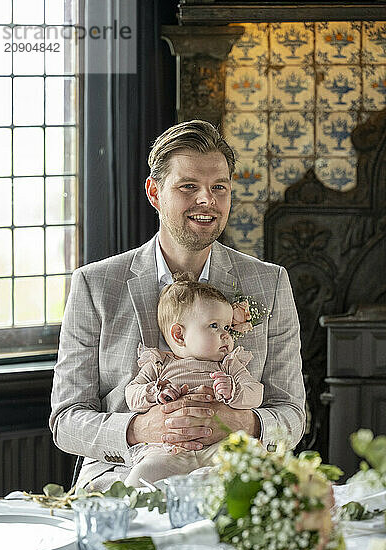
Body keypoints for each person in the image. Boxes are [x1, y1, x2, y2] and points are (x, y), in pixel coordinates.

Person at [50, 119, 305, 491]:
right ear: (155, 193)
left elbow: (293, 415)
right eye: (189, 187)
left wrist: (243, 423)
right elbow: (66, 420)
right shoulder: (95, 284)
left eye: (219, 187)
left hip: (235, 478)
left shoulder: (270, 283)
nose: (207, 200)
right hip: (123, 479)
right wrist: (140, 428)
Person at [123, 273, 263, 486]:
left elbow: (256, 394)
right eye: (214, 326)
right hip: (169, 450)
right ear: (179, 335)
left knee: (253, 463)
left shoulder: (227, 364)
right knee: (142, 474)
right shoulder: (159, 364)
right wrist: (154, 392)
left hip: (218, 447)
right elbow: (131, 395)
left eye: (227, 327)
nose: (226, 335)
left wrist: (234, 391)